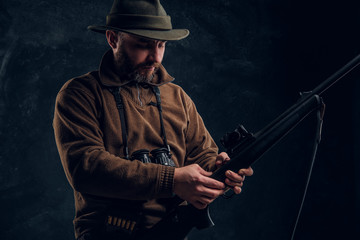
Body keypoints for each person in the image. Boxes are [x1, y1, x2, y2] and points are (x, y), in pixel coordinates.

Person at [53, 0, 253, 239]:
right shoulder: (80, 93)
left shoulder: (178, 97)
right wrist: (172, 180)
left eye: (161, 45)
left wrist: (221, 169)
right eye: (143, 44)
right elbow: (86, 167)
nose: (155, 57)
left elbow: (203, 155)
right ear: (113, 39)